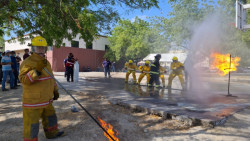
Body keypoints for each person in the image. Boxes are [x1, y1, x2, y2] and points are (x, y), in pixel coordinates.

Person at [19, 36, 64, 140]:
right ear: (32, 49)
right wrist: (36, 72)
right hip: (33, 101)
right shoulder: (27, 62)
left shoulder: (46, 62)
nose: (40, 50)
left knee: (51, 117)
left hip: (47, 99)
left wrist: (55, 91)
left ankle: (52, 133)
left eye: (42, 48)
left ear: (45, 49)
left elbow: (51, 78)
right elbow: (23, 80)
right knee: (32, 124)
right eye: (37, 48)